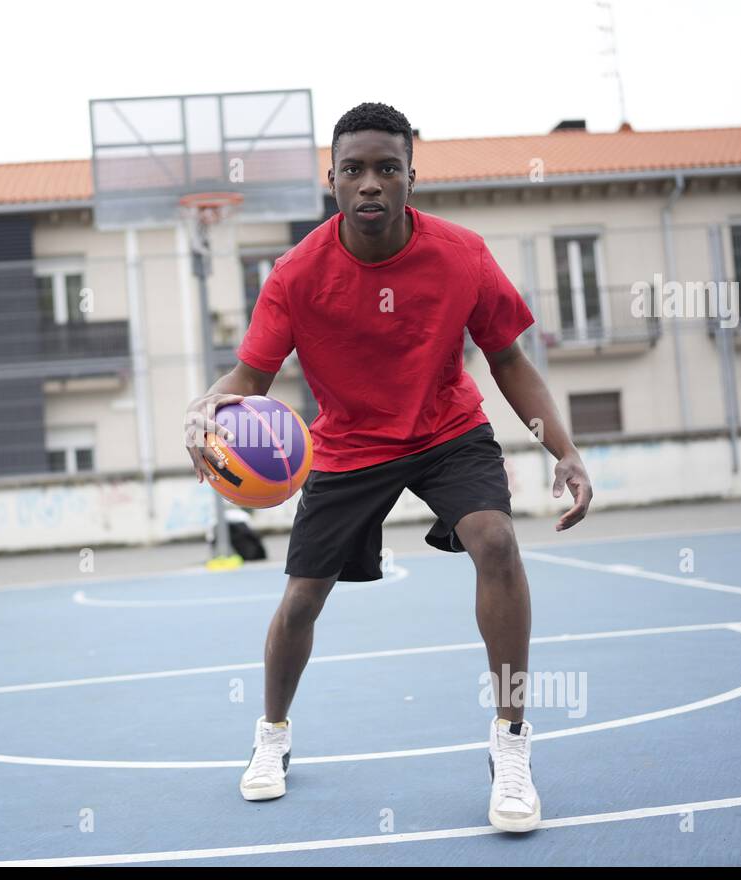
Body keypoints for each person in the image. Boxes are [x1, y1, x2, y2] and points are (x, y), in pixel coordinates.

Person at [183, 102, 593, 832]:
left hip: (446, 427)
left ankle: (512, 746)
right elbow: (249, 377)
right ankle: (272, 736)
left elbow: (508, 361)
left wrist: (562, 448)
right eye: (354, 170)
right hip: (346, 443)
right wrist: (206, 409)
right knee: (303, 599)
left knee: (496, 542)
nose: (370, 183)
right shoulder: (297, 273)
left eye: (386, 168)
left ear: (410, 176)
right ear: (332, 180)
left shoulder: (461, 255)